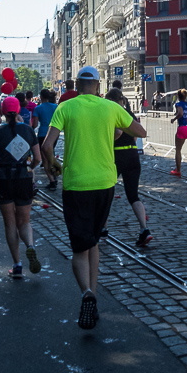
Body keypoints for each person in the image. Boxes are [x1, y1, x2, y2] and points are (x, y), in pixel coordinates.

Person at [41, 66, 147, 330]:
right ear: (99, 87)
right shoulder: (110, 108)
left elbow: (46, 145)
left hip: (76, 183)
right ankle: (95, 296)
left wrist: (53, 164)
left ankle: (87, 294)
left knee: (79, 245)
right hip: (104, 183)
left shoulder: (66, 107)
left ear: (76, 86)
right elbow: (141, 132)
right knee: (94, 240)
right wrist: (116, 129)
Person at [0, 96, 41, 278]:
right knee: (24, 221)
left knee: (9, 222)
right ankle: (30, 246)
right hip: (23, 178)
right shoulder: (28, 130)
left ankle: (17, 265)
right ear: (18, 111)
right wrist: (29, 169)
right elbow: (38, 159)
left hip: (3, 179)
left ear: (2, 111)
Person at [103, 87, 151, 246]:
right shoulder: (130, 114)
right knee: (133, 195)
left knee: (106, 191)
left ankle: (103, 227)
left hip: (117, 156)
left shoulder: (113, 114)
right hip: (132, 155)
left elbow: (117, 132)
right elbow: (139, 133)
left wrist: (109, 141)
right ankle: (144, 229)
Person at [34, 88, 59, 190]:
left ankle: (52, 181)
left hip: (43, 134)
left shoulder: (38, 108)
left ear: (41, 97)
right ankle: (55, 174)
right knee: (51, 155)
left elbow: (35, 124)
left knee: (45, 159)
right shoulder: (56, 106)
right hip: (54, 134)